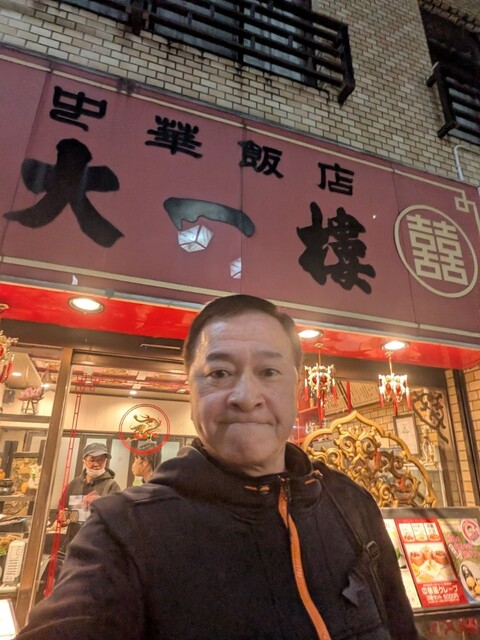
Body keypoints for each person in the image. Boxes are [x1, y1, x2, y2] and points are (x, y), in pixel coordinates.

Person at [16, 295, 418, 640]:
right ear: (190, 389)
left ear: (295, 387)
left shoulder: (350, 505)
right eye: (220, 373)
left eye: (269, 372)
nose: (246, 396)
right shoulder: (123, 531)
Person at [57, 442, 121, 546]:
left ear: (106, 461)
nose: (96, 464)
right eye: (92, 460)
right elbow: (60, 509)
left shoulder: (112, 486)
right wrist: (62, 518)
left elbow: (119, 516)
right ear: (84, 461)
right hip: (73, 542)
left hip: (99, 544)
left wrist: (101, 503)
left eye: (101, 460)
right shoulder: (74, 484)